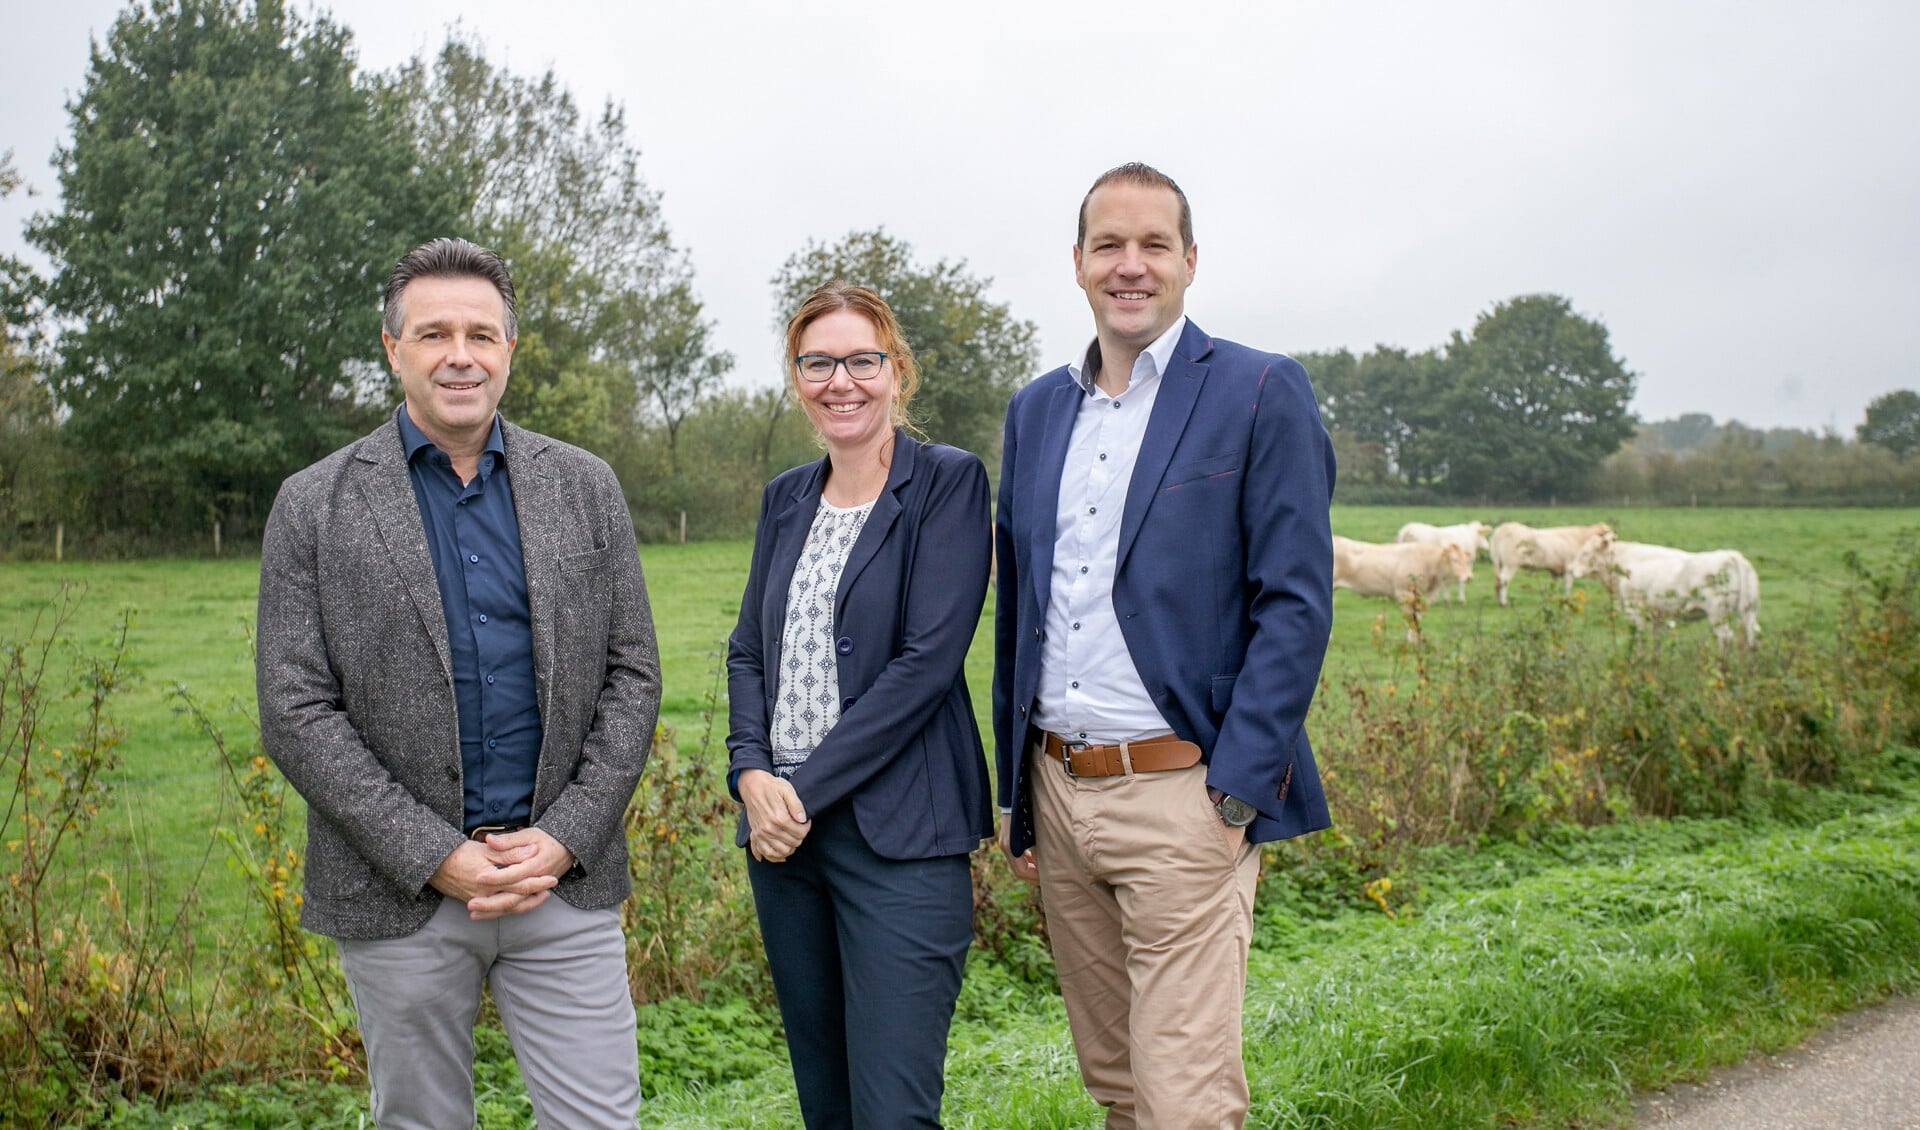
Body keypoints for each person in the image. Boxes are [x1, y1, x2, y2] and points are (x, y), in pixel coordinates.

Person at [255, 236, 660, 1129]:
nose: (460, 354)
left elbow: (633, 675)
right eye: (434, 333)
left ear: (510, 349)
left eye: (481, 333)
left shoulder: (586, 487)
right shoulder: (314, 503)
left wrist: (565, 836)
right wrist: (435, 855)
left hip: (561, 881)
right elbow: (293, 709)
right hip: (399, 895)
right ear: (393, 348)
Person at [992, 163, 1337, 1129]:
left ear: (1190, 261)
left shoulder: (1258, 390)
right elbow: (1021, 600)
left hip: (1184, 793)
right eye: (1109, 245)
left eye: (1153, 246)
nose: (1130, 266)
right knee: (1119, 1088)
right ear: (1077, 264)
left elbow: (1297, 604)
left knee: (1184, 1101)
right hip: (1060, 793)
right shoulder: (1038, 410)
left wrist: (1234, 789)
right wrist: (1021, 796)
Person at [726, 282, 993, 1128]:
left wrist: (799, 792)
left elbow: (925, 666)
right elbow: (747, 651)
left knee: (891, 1114)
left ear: (896, 371)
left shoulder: (947, 483)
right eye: (818, 363)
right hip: (783, 846)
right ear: (797, 377)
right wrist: (750, 773)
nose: (841, 381)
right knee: (828, 1106)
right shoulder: (786, 497)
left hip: (899, 839)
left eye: (861, 360)